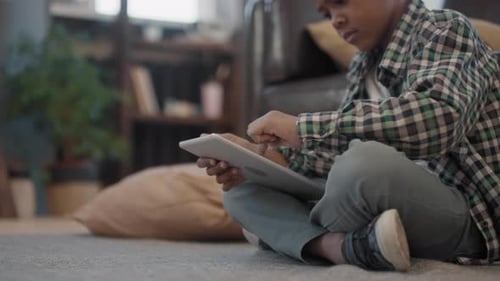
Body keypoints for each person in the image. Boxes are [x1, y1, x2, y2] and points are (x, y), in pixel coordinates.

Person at [197, 0, 500, 271]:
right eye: (326, 12)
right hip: (377, 196)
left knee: (361, 165)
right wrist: (258, 158)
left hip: (468, 216)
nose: (335, 20)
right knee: (240, 193)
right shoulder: (362, 64)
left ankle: (288, 231)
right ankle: (341, 247)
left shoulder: (444, 28)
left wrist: (302, 127)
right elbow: (332, 157)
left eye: (341, 3)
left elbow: (438, 120)